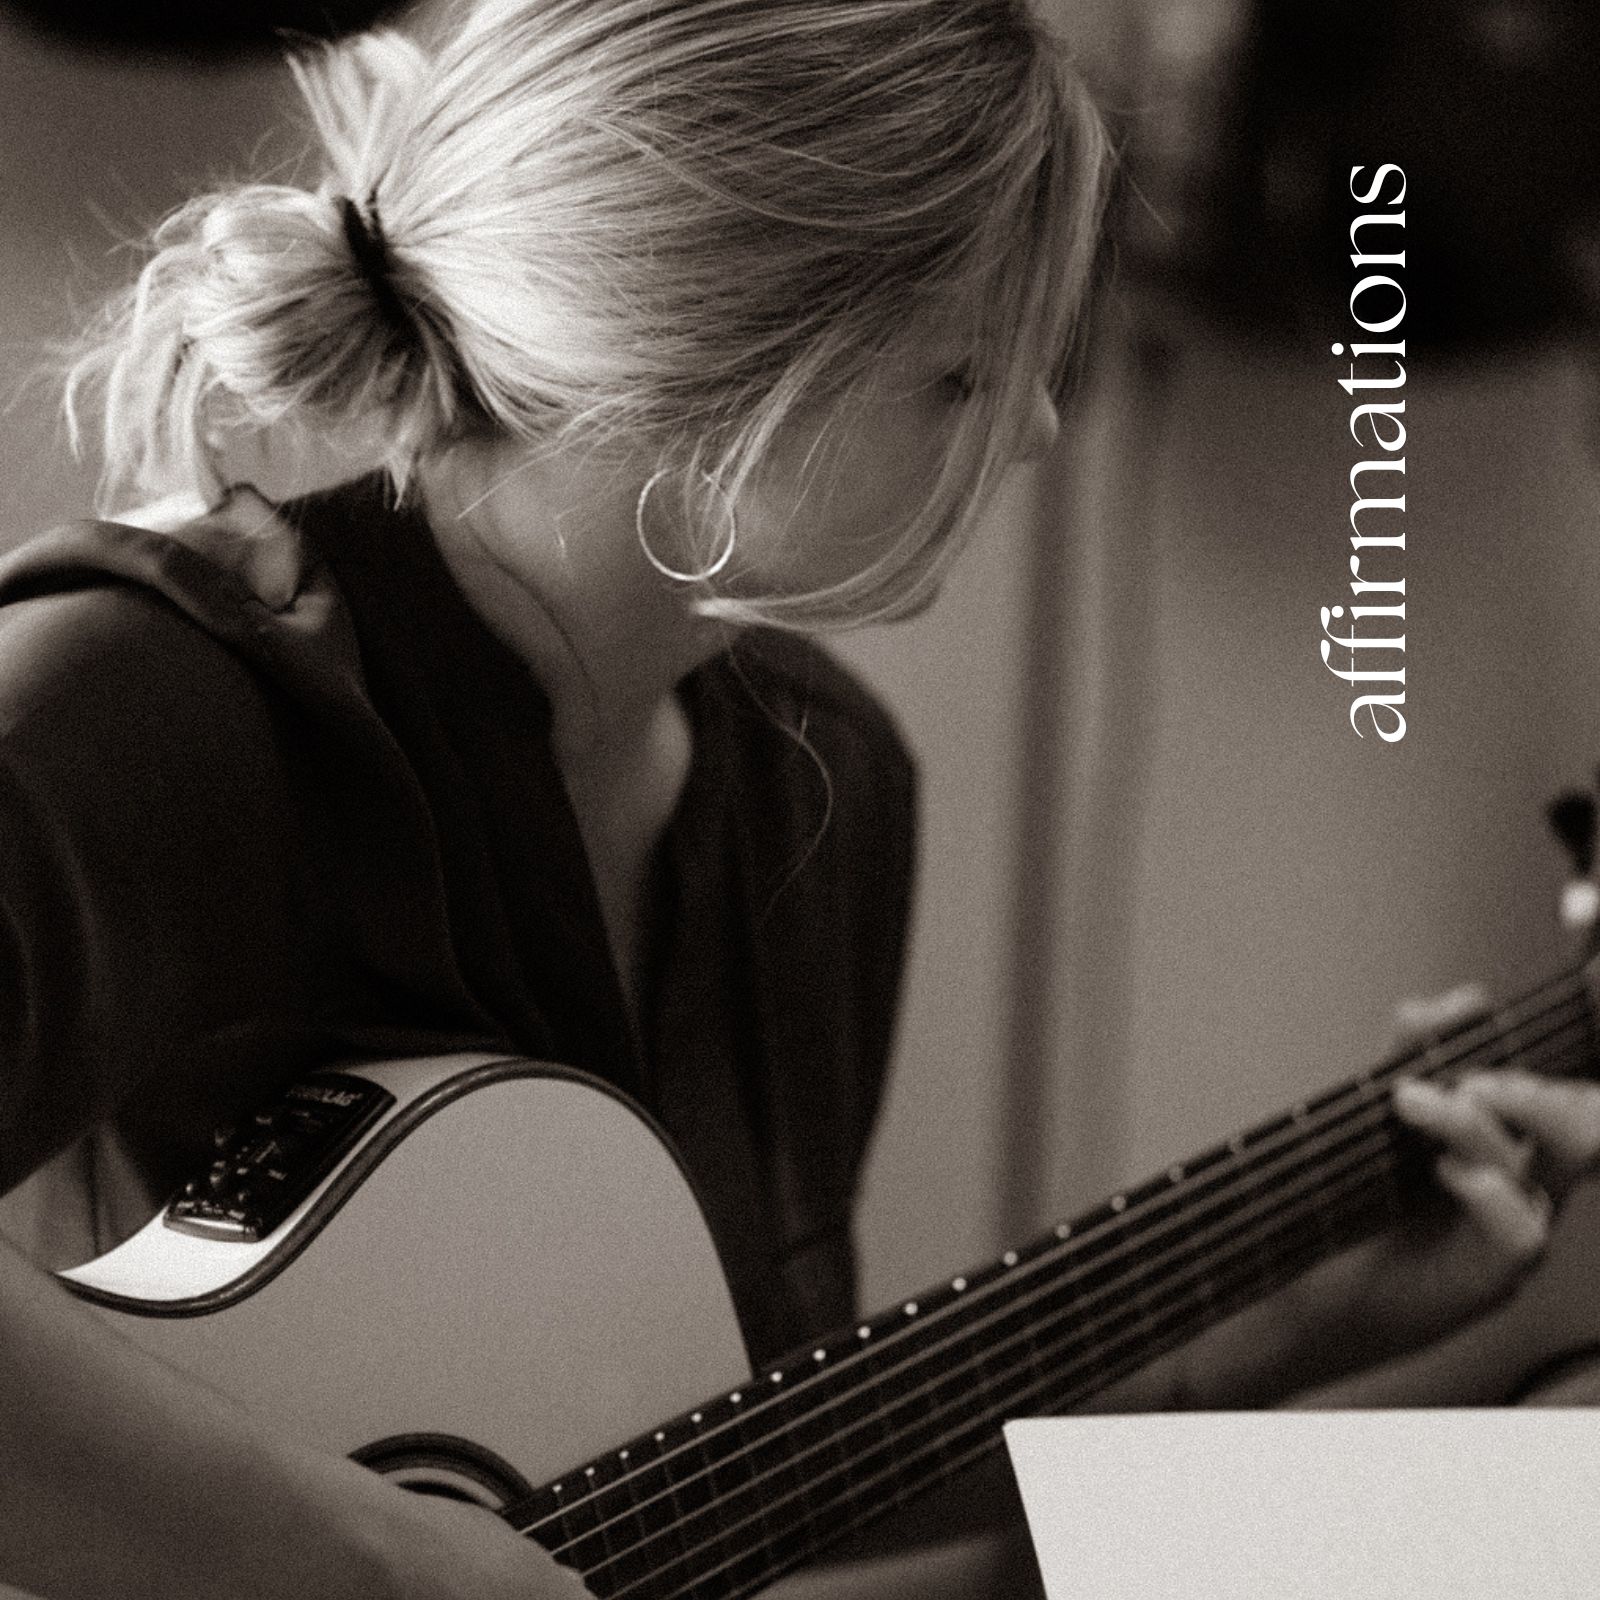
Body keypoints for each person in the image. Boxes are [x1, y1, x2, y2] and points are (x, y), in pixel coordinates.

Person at [2, 2, 1599, 1597]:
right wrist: (360, 1557)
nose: (1034, 429)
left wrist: (1287, 1329)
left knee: (1523, 1518)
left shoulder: (821, 787)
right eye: (961, 374)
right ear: (709, 360)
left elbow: (726, 1491)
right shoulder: (154, 699)